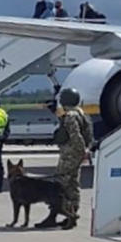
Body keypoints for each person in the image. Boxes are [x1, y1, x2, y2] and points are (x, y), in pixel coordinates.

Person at [43, 88, 93, 230]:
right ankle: (71, 214)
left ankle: (57, 215)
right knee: (73, 184)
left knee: (61, 185)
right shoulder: (82, 114)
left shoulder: (71, 115)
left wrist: (81, 150)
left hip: (70, 154)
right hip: (76, 154)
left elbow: (74, 134)